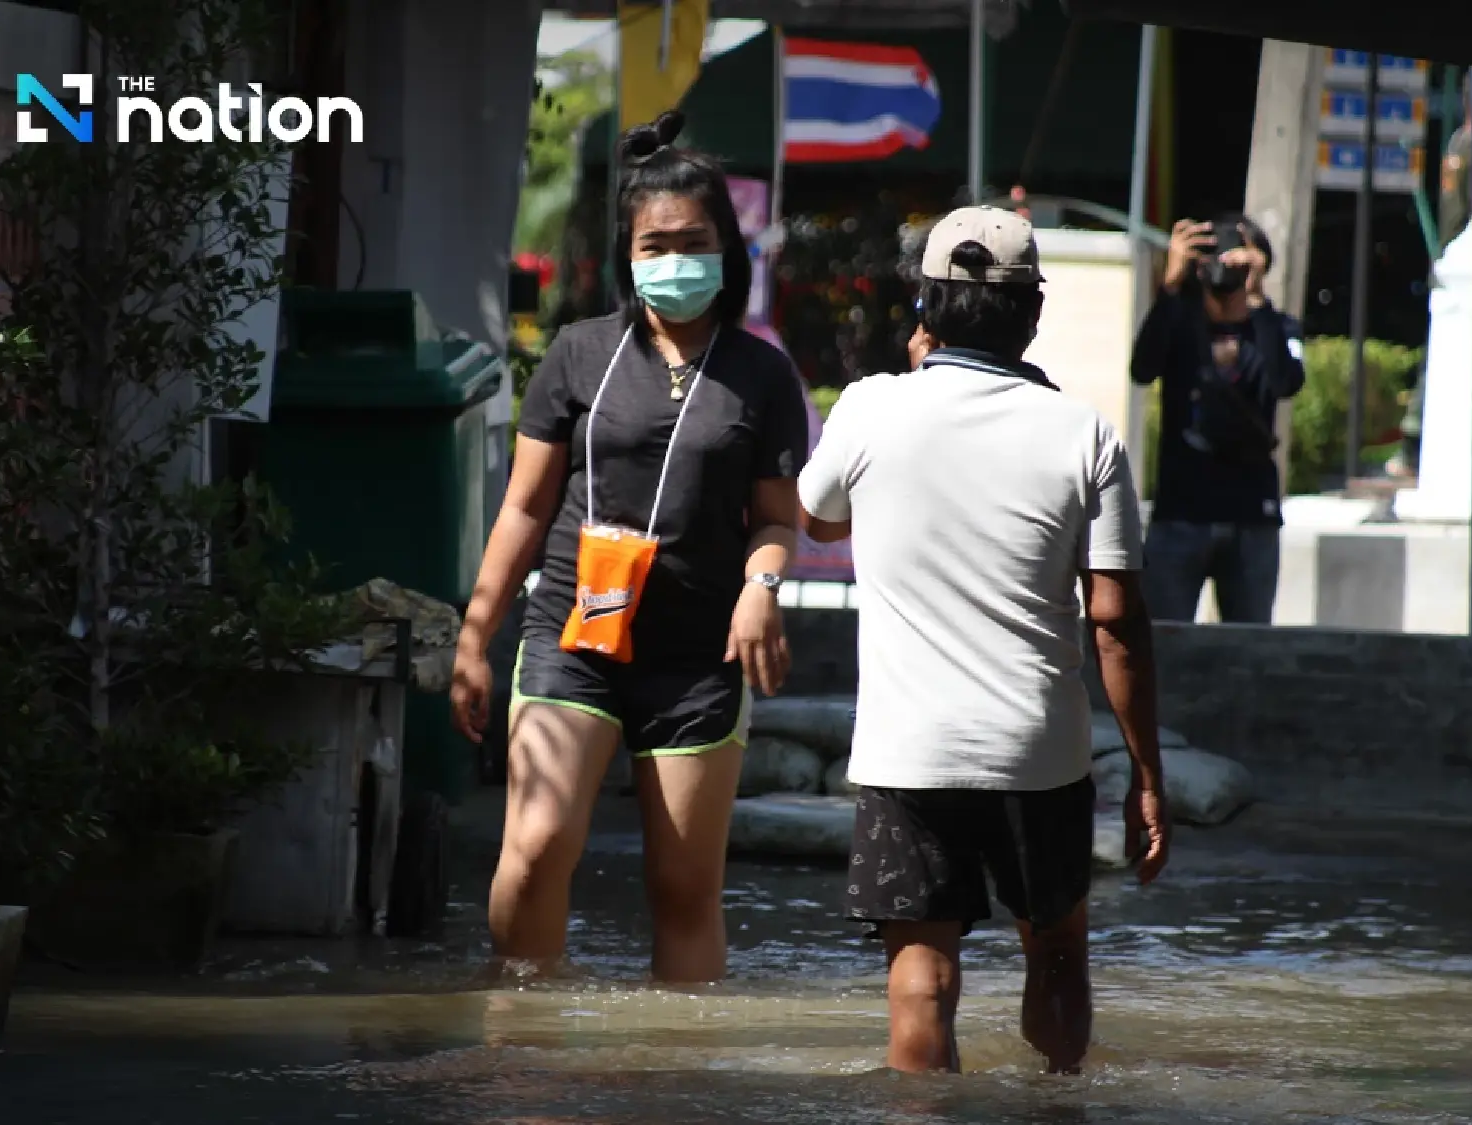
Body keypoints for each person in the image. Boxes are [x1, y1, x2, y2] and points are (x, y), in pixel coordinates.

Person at [798, 206, 1171, 1075]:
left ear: (926, 306)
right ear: (1031, 315)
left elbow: (817, 517)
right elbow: (1115, 620)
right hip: (1039, 754)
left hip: (908, 753)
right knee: (1058, 952)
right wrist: (1146, 775)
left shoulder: (871, 407)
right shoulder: (1085, 434)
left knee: (922, 984)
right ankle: (1057, 1105)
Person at [449, 111, 809, 983]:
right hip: (576, 634)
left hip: (697, 656)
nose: (674, 257)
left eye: (693, 240)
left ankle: (671, 1075)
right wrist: (474, 635)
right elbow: (525, 508)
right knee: (534, 848)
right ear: (629, 253)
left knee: (683, 888)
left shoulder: (761, 373)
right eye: (655, 243)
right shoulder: (578, 353)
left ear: (729, 247)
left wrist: (762, 583)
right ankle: (521, 1039)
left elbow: (777, 516)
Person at [1132, 213, 1306, 625]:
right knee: (1164, 647)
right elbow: (1141, 369)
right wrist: (1170, 286)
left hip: (1252, 518)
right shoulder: (1178, 323)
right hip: (1182, 514)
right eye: (1215, 261)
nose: (1224, 272)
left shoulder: (1276, 328)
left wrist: (1258, 299)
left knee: (1247, 651)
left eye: (1237, 262)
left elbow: (1286, 382)